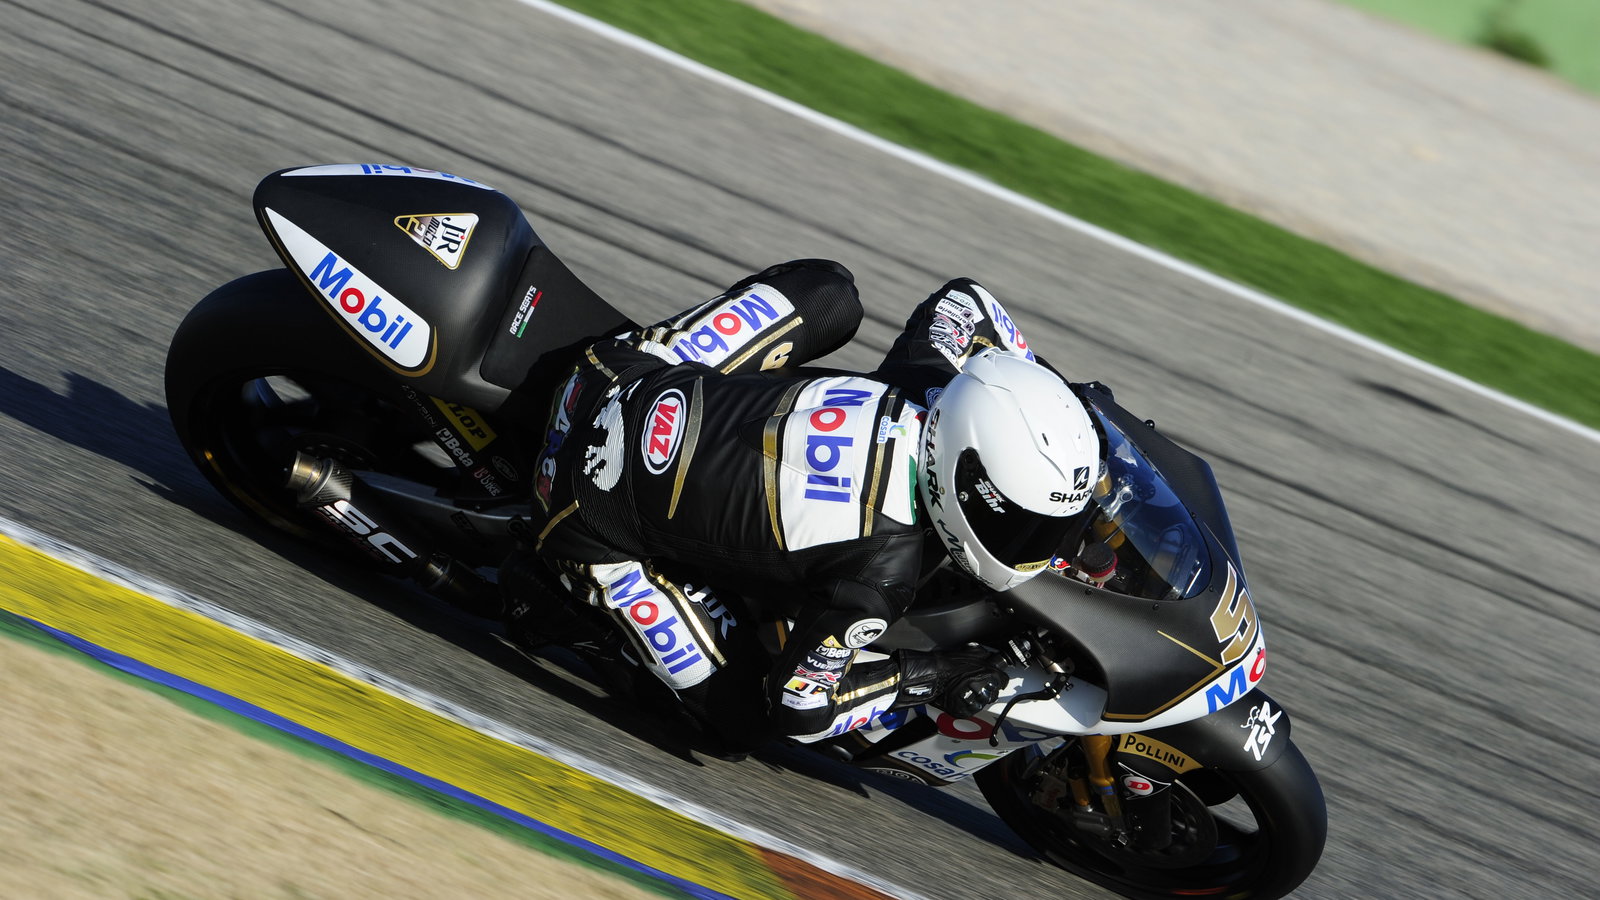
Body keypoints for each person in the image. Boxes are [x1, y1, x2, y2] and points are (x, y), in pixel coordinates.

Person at [507, 259, 1104, 749]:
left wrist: (1041, 393)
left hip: (622, 369)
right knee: (742, 720)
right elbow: (802, 709)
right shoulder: (879, 577)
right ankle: (565, 606)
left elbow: (964, 300)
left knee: (831, 292)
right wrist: (934, 676)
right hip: (582, 513)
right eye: (1024, 525)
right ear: (965, 484)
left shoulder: (930, 386)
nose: (1039, 545)